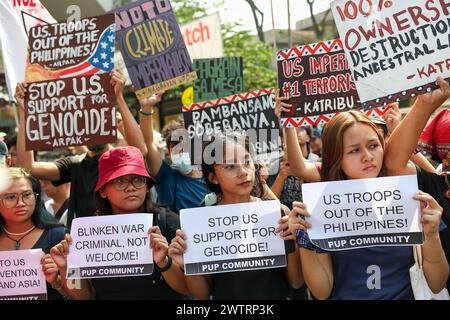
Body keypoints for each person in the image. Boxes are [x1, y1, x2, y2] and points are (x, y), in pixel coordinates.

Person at [284, 77, 450, 299]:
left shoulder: (409, 197)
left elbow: (437, 283)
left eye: (373, 146)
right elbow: (321, 292)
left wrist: (431, 236)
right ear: (336, 158)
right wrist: (305, 241)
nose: (368, 157)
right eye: (354, 150)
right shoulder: (320, 207)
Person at [168, 133, 303, 299]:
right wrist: (187, 264)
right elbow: (202, 294)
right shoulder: (202, 223)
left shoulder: (278, 213)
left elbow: (296, 282)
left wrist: (295, 243)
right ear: (213, 177)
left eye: (247, 162)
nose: (243, 172)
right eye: (230, 167)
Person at [49, 146, 188, 299]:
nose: (131, 188)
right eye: (120, 181)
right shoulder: (86, 234)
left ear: (147, 187)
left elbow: (189, 289)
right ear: (102, 191)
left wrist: (164, 262)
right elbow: (84, 296)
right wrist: (66, 267)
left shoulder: (167, 222)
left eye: (138, 180)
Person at [15, 69, 148, 229]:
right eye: (83, 123)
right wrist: (25, 113)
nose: (91, 130)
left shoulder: (122, 159)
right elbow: (27, 167)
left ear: (110, 123)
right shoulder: (75, 165)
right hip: (87, 245)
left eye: (96, 121)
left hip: (125, 235)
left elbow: (140, 151)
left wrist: (118, 97)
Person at [0, 167, 66, 300]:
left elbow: (85, 294)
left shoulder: (59, 237)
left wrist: (58, 279)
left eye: (27, 195)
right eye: (11, 197)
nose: (21, 203)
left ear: (36, 197)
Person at [139, 95, 209, 213]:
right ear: (169, 151)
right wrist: (146, 108)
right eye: (175, 147)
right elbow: (148, 141)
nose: (181, 151)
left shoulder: (211, 176)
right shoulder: (167, 176)